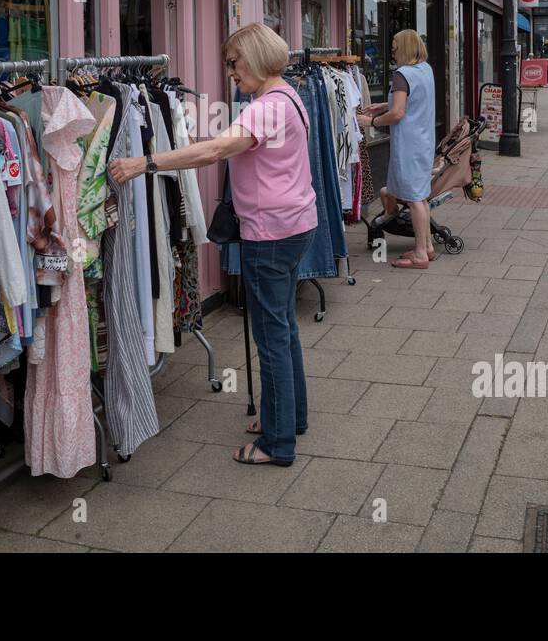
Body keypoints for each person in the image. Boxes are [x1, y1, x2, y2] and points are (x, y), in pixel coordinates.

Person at [108, 23, 316, 468]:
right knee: (284, 329)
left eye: (234, 63)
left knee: (272, 336)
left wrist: (146, 162)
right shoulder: (290, 97)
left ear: (256, 58)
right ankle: (289, 418)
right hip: (296, 225)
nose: (230, 73)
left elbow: (212, 152)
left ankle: (277, 444)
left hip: (271, 234)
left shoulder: (264, 109)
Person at [357, 29, 436, 270]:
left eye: (394, 46)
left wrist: (371, 122)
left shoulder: (402, 74)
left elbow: (399, 113)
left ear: (405, 47)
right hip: (423, 141)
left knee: (413, 200)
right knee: (419, 197)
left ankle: (420, 253)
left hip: (408, 145)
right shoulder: (426, 69)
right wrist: (385, 104)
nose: (392, 51)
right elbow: (412, 101)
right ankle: (429, 247)